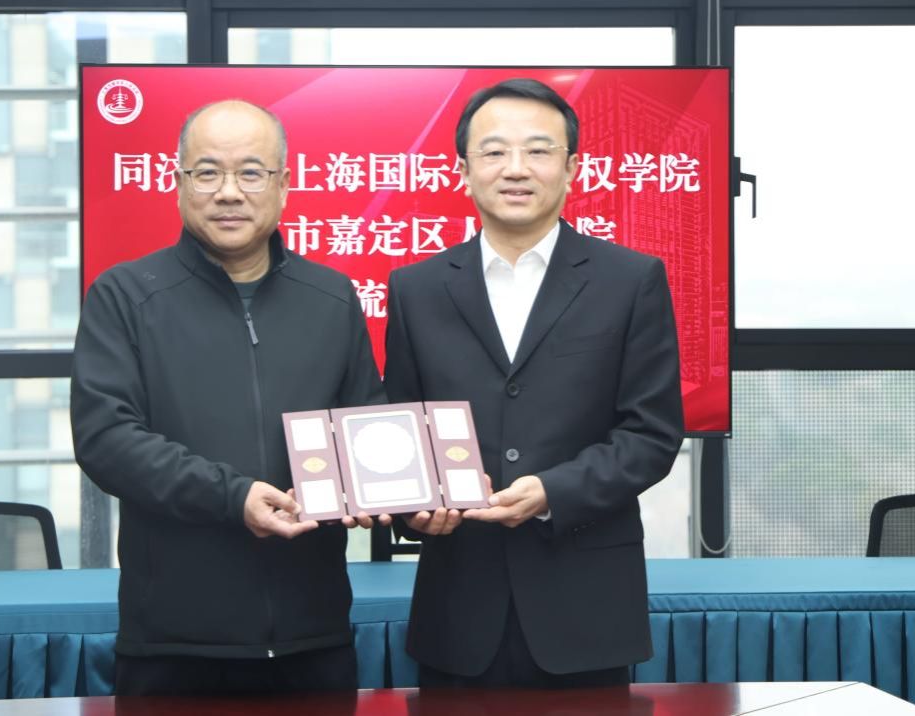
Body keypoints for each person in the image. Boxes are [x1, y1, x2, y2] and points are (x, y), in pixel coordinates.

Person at [71, 99, 384, 696]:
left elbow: (365, 425)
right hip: (173, 643)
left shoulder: (331, 297)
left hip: (313, 638)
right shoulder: (125, 295)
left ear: (283, 186)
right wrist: (232, 496)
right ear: (179, 184)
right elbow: (106, 440)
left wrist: (396, 490)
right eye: (208, 172)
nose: (229, 192)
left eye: (251, 173)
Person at [384, 78, 684, 688]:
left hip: (585, 605)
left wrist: (552, 491)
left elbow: (651, 434)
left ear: (571, 168)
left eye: (538, 151)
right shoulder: (416, 288)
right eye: (494, 151)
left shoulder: (630, 281)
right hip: (458, 605)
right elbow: (400, 429)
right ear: (464, 170)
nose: (515, 168)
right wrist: (414, 507)